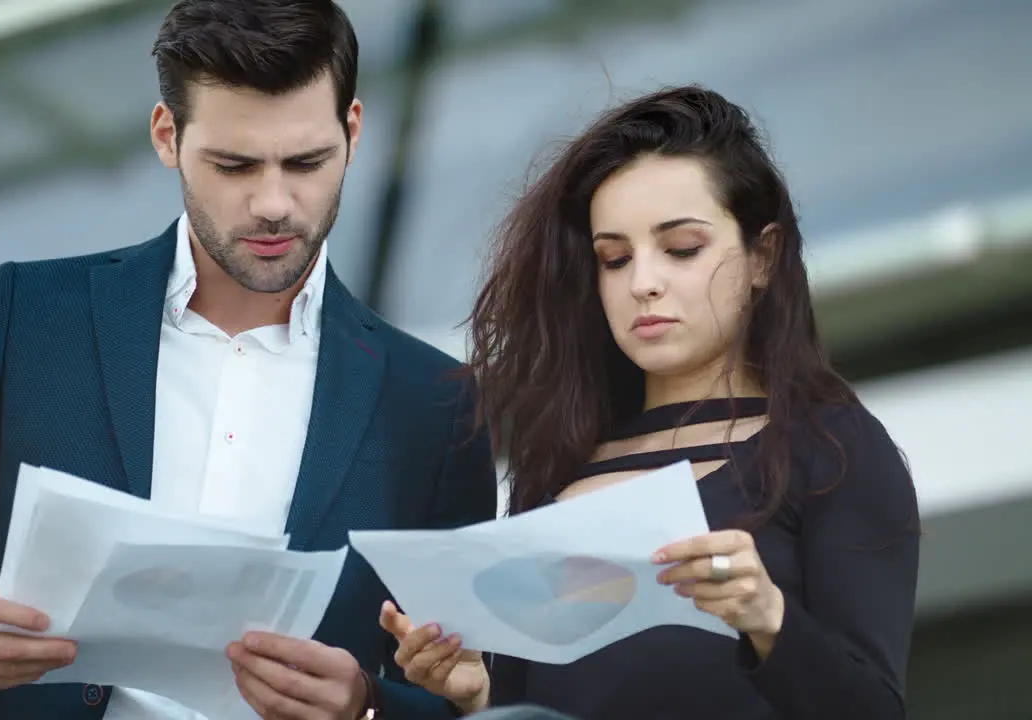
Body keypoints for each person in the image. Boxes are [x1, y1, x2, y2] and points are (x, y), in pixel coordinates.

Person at [0, 1, 497, 718]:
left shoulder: (435, 400)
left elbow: (469, 683)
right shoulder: (32, 316)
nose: (273, 202)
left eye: (305, 162)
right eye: (234, 164)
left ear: (353, 132)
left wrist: (367, 705)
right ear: (167, 135)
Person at [380, 85, 920, 718]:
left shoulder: (833, 448)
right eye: (614, 258)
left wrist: (768, 616)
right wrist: (480, 698)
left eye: (681, 249)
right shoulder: (557, 469)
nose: (643, 283)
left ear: (762, 257)